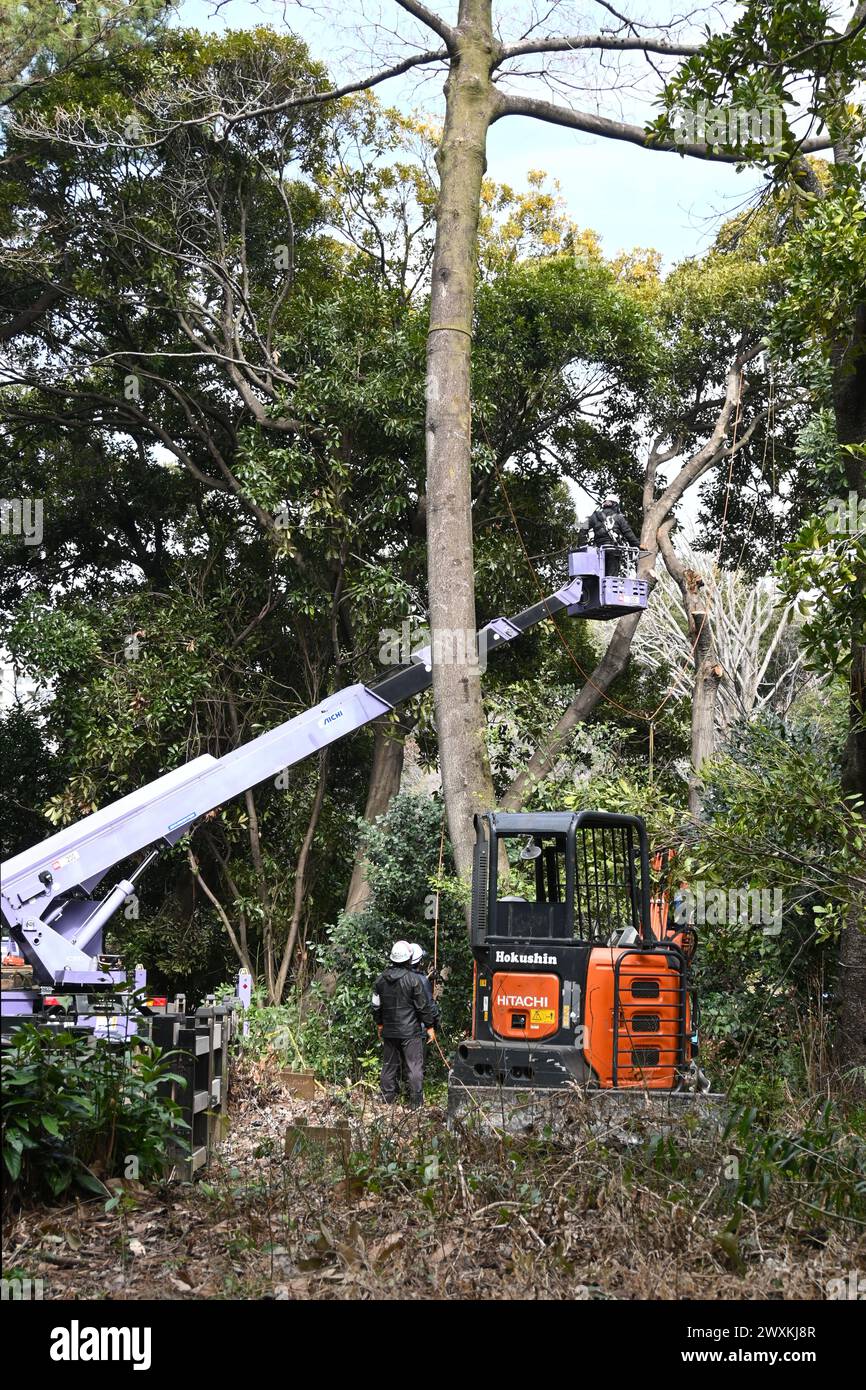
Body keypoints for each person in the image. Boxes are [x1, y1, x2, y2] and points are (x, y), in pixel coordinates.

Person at [371, 940, 436, 1108]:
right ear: (408, 959)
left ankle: (387, 1100)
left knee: (389, 1066)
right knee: (414, 1067)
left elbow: (376, 1006)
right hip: (410, 1032)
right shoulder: (413, 980)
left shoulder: (380, 981)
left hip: (389, 1031)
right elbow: (422, 1007)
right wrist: (430, 1027)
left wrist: (379, 1025)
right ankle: (415, 1104)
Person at [585, 494, 639, 576]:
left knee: (598, 575)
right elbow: (628, 533)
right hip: (613, 551)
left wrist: (582, 546)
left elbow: (582, 529)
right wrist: (638, 545)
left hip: (598, 551)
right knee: (611, 576)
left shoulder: (594, 516)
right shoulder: (619, 518)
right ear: (616, 505)